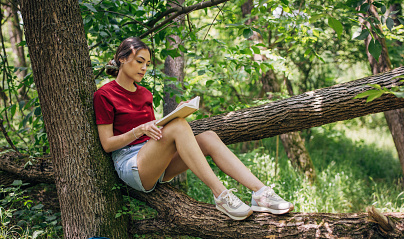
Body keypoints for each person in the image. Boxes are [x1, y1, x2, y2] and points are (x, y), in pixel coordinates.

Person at [94, 37, 293, 220]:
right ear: (122, 59)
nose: (144, 68)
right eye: (139, 61)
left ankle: (260, 193)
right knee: (179, 126)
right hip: (131, 165)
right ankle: (221, 195)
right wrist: (139, 130)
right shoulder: (104, 95)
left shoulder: (145, 93)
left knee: (208, 137)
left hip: (154, 161)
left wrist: (177, 113)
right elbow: (107, 144)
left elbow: (154, 132)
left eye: (147, 63)